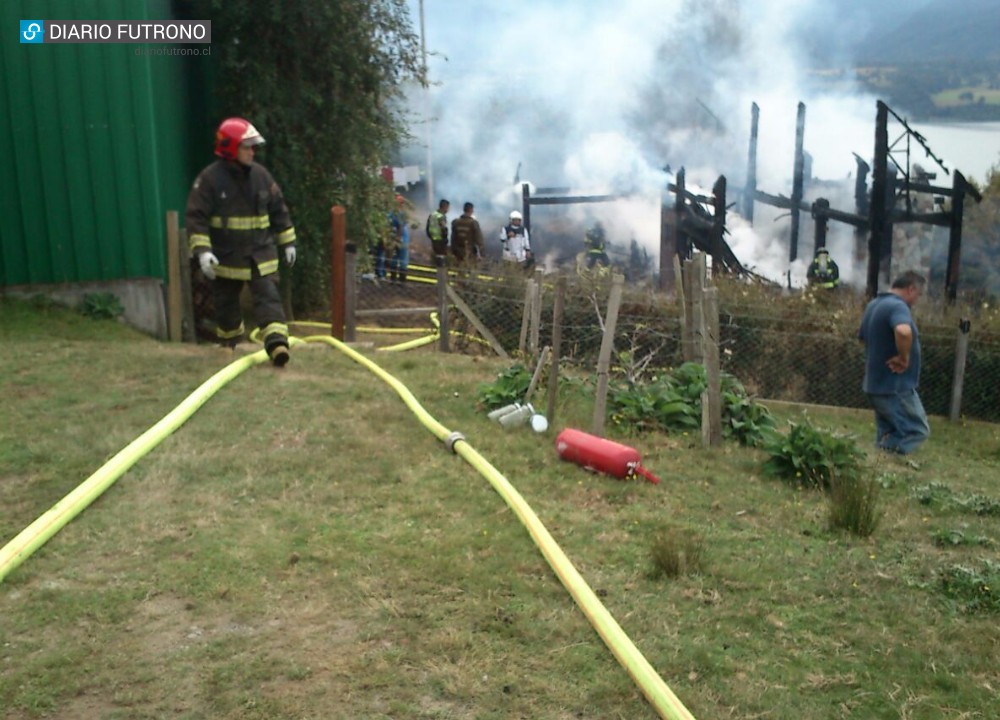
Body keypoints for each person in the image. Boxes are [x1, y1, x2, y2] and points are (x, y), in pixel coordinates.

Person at [186, 117, 297, 367]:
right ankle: (229, 346)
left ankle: (278, 344)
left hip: (260, 254)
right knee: (226, 305)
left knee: (268, 297)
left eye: (253, 146)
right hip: (226, 257)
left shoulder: (261, 176)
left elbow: (279, 209)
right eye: (247, 146)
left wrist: (288, 241)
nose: (252, 151)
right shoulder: (210, 180)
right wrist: (203, 252)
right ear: (229, 148)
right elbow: (196, 217)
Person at [857, 271, 929, 454]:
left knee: (888, 431)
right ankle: (889, 459)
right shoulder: (898, 306)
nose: (917, 300)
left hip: (875, 383)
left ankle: (880, 466)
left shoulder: (874, 304)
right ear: (911, 289)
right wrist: (903, 358)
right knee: (916, 430)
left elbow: (863, 338)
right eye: (918, 295)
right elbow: (904, 331)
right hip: (895, 385)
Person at [388, 194, 410, 283]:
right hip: (401, 239)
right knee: (402, 260)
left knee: (394, 259)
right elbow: (400, 226)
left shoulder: (391, 213)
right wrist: (398, 238)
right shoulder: (400, 214)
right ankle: (401, 281)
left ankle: (393, 280)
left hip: (396, 239)